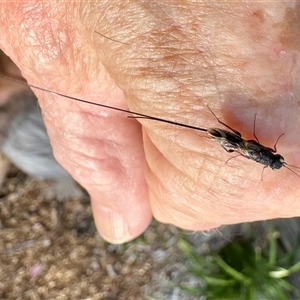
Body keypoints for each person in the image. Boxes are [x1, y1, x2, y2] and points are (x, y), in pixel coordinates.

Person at [0, 2, 299, 244]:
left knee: (234, 141)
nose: (274, 158)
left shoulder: (263, 153)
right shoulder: (263, 155)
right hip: (239, 142)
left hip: (239, 143)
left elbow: (254, 144)